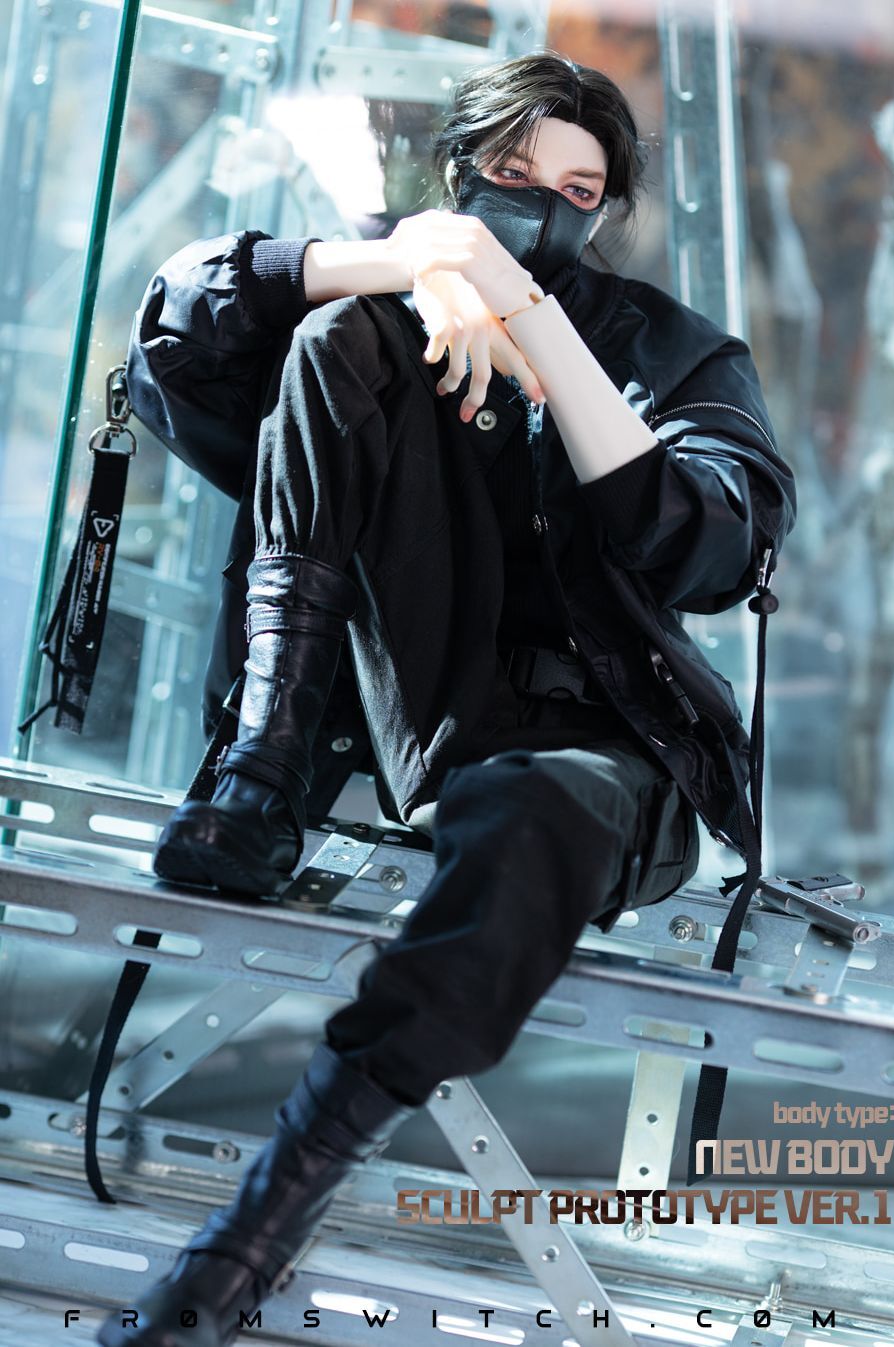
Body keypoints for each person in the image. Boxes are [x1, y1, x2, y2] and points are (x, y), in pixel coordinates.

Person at [98, 50, 796, 1347]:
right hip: (405, 702)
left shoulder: (671, 347)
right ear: (456, 170)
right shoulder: (389, 295)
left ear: (609, 211)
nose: (541, 208)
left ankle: (245, 1245)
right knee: (336, 331)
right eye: (511, 176)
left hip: (600, 748)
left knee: (533, 816)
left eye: (578, 192)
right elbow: (175, 332)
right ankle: (260, 775)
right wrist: (401, 264)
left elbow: (715, 546)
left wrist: (527, 314)